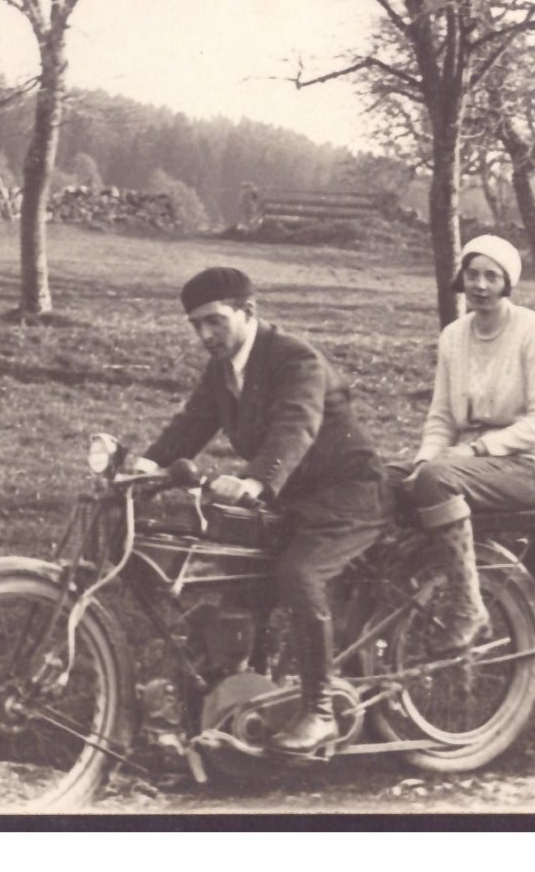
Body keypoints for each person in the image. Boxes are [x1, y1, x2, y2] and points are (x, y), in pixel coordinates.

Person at [143, 267, 389, 754]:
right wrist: (144, 468)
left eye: (214, 321)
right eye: (195, 325)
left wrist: (257, 479)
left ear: (248, 311)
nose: (204, 335)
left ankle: (319, 711)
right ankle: (241, 702)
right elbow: (191, 425)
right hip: (293, 502)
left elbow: (295, 423)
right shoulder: (223, 370)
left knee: (301, 575)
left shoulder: (296, 359)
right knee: (237, 577)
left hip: (349, 495)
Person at [401, 235, 535, 653]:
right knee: (386, 480)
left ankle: (469, 606)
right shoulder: (454, 335)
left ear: (508, 283)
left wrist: (475, 450)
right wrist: (422, 460)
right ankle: (398, 600)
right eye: (472, 274)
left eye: (492, 276)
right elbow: (441, 416)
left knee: (437, 480)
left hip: (529, 467)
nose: (480, 285)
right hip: (464, 463)